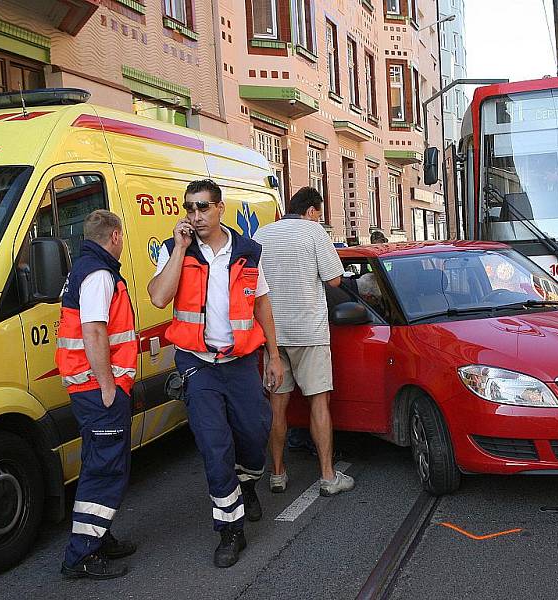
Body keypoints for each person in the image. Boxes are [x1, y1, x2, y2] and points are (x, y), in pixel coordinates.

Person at [147, 179, 284, 568]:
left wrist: (274, 356)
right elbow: (159, 297)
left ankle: (247, 484)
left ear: (220, 208)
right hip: (198, 365)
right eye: (189, 208)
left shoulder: (248, 252)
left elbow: (262, 304)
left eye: (203, 207)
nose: (195, 215)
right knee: (214, 446)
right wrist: (179, 249)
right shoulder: (177, 251)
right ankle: (230, 530)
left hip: (241, 363)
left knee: (254, 432)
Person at [254, 186, 355, 497]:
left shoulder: (261, 234)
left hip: (271, 335)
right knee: (319, 403)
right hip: (308, 332)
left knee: (276, 406)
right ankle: (327, 476)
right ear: (311, 210)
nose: (319, 218)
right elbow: (335, 279)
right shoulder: (313, 232)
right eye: (319, 213)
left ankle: (277, 473)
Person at [56, 210, 138, 580]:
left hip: (88, 387)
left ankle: (98, 537)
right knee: (104, 472)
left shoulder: (86, 268)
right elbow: (93, 331)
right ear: (115, 236)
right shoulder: (99, 274)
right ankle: (82, 555)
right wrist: (108, 385)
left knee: (100, 466)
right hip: (98, 388)